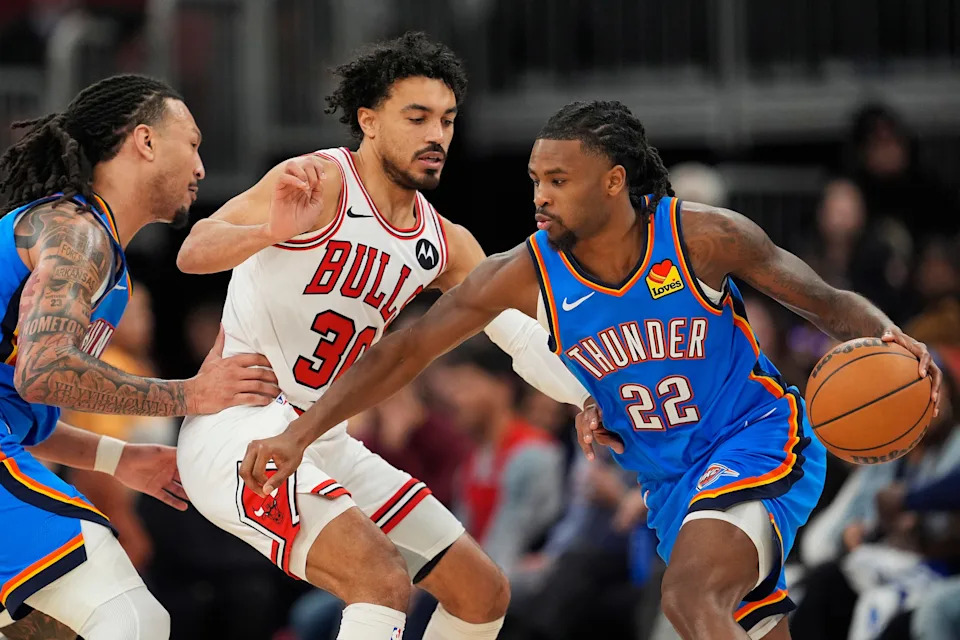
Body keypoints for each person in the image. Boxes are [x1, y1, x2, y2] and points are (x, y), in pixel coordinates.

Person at [241, 99, 943, 640]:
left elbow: (823, 302)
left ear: (613, 182)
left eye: (558, 180)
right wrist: (300, 434)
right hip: (669, 481)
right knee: (754, 624)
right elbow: (405, 350)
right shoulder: (525, 271)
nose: (540, 195)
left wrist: (894, 339)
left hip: (756, 438)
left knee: (688, 598)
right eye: (534, 180)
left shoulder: (700, 236)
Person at [175, 32, 588, 640]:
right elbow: (193, 251)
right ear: (368, 121)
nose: (436, 135)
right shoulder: (316, 180)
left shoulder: (444, 242)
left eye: (447, 120)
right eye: (416, 117)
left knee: (482, 594)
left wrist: (590, 400)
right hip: (243, 430)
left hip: (324, 439)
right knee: (381, 583)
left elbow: (523, 339)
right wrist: (271, 227)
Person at [0, 74, 280, 640]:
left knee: (51, 629)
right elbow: (42, 371)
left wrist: (118, 458)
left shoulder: (88, 244)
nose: (202, 168)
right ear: (146, 141)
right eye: (194, 143)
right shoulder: (77, 235)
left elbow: (18, 408)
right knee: (133, 618)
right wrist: (188, 393)